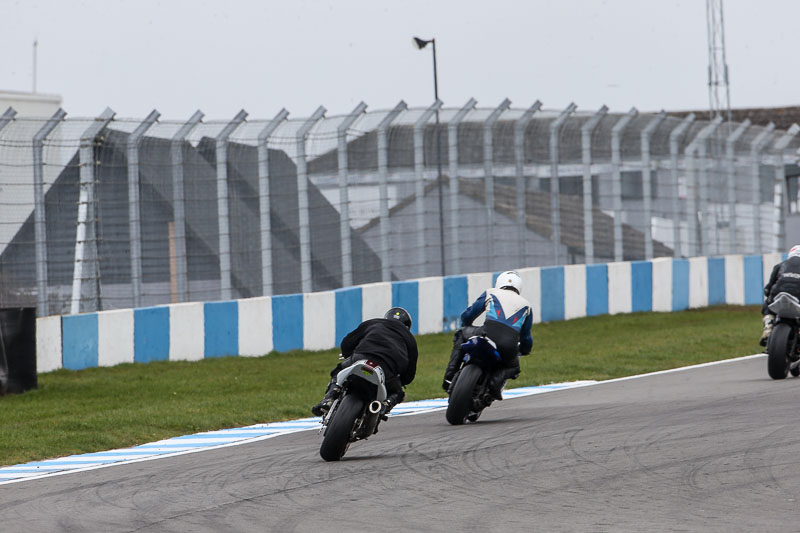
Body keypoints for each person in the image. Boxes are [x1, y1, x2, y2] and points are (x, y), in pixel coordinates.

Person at [442, 270, 533, 400]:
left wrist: (466, 323)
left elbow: (469, 314)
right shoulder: (527, 305)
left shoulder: (491, 292)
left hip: (487, 333)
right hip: (509, 345)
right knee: (514, 367)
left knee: (461, 334)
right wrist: (524, 350)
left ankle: (450, 375)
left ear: (499, 283)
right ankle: (495, 382)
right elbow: (526, 337)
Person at [312, 307, 418, 417]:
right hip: (387, 368)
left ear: (386, 317)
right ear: (407, 327)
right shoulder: (410, 338)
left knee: (339, 371)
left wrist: (347, 354)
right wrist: (401, 381)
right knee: (398, 393)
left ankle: (329, 397)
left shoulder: (373, 323)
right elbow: (410, 372)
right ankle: (385, 406)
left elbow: (348, 342)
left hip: (360, 358)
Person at [761, 245, 800, 346]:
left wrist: (768, 294)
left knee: (768, 303)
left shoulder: (780, 265)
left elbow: (768, 288)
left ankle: (768, 326)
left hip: (778, 293)